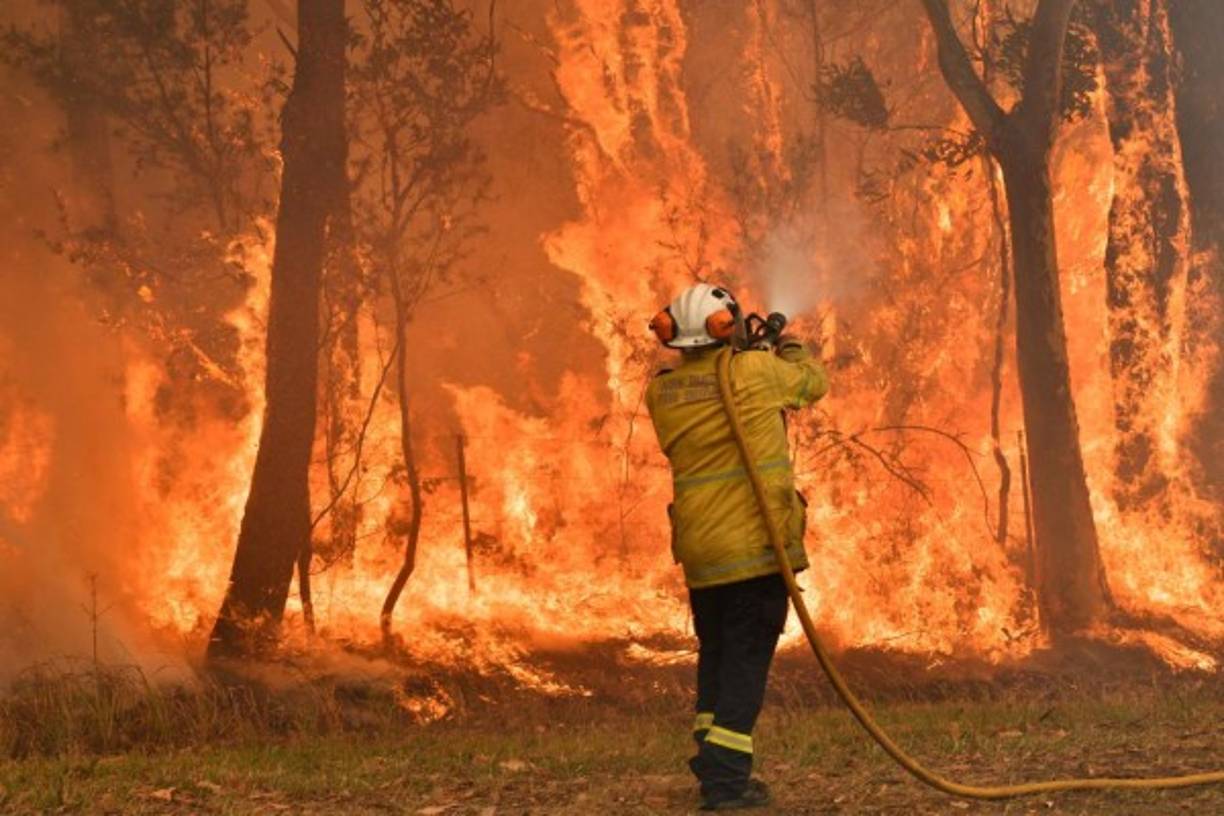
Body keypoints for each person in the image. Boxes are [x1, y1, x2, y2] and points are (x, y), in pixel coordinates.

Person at [646, 282, 828, 811]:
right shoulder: (754, 372)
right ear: (725, 328)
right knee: (746, 665)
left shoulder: (662, 393)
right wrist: (785, 346)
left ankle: (710, 759)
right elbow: (811, 384)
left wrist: (745, 353)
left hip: (703, 556)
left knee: (720, 657)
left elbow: (709, 394)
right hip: (754, 547)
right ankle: (725, 785)